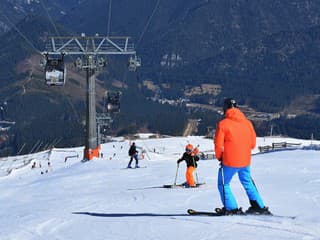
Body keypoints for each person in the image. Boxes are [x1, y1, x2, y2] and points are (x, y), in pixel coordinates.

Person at [214, 98, 270, 215]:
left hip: (230, 161)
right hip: (245, 161)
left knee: (223, 183)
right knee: (247, 182)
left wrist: (220, 157)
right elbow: (253, 144)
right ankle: (258, 206)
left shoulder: (223, 124)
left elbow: (218, 145)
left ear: (225, 108)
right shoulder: (247, 123)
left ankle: (231, 208)